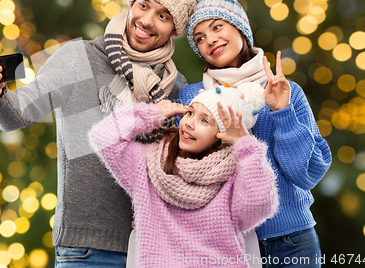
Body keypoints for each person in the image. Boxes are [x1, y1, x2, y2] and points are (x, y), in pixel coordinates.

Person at [0, 0, 204, 268]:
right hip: (85, 249)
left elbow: (181, 171)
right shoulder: (78, 57)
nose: (147, 21)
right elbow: (18, 114)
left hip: (154, 249)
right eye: (144, 5)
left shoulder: (176, 88)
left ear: (175, 29)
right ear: (132, 2)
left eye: (163, 16)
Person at [176, 0, 332, 267]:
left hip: (291, 242)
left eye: (217, 27)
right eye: (199, 38)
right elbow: (180, 173)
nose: (209, 40)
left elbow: (306, 175)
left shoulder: (285, 91)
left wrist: (282, 112)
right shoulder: (192, 98)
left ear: (240, 29)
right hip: (223, 246)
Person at [89, 83, 278, 268]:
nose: (188, 123)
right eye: (190, 112)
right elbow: (103, 137)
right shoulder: (148, 164)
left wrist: (246, 146)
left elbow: (259, 206)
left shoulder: (235, 176)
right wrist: (152, 114)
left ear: (222, 136)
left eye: (204, 120)